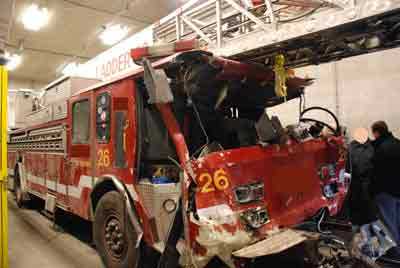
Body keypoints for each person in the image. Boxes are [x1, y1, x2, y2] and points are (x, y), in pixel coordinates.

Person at [370, 121, 400, 259]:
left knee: (388, 223)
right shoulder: (398, 143)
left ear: (376, 132)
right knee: (397, 220)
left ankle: (394, 253)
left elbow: (375, 173)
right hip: (398, 190)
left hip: (385, 192)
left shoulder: (380, 149)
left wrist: (371, 192)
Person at [346, 128, 376, 226]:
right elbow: (347, 164)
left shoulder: (373, 147)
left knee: (368, 211)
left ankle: (368, 228)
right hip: (355, 183)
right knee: (357, 209)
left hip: (367, 182)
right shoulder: (350, 147)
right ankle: (360, 227)